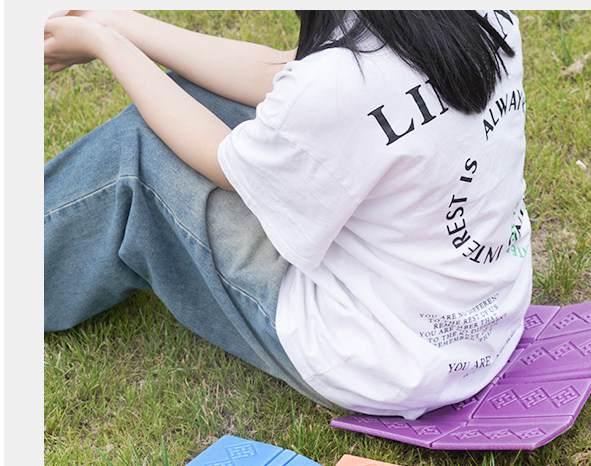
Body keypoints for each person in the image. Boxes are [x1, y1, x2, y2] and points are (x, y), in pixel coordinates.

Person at [44, 9, 532, 419]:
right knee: (191, 94)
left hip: (382, 358)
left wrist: (107, 45)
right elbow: (284, 76)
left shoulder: (334, 86)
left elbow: (220, 159)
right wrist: (117, 22)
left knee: (136, 149)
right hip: (487, 317)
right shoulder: (481, 16)